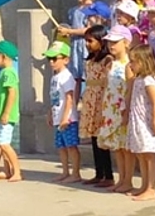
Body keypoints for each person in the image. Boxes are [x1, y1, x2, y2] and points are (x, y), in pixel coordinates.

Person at [98, 25, 135, 192]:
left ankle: (128, 180)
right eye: (109, 42)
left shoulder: (130, 64)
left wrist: (127, 110)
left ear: (126, 43)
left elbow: (130, 87)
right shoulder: (111, 64)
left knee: (126, 148)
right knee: (117, 147)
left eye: (115, 42)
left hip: (123, 109)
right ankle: (121, 178)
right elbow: (107, 86)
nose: (111, 46)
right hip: (111, 109)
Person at [78, 25, 114, 187]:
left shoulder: (108, 60)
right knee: (93, 137)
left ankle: (109, 175)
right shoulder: (90, 59)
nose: (87, 44)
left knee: (101, 138)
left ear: (101, 41)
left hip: (101, 98)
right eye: (86, 41)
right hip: (90, 98)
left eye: (90, 41)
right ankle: (98, 172)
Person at [126, 44, 155, 201]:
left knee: (149, 156)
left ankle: (151, 188)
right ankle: (144, 184)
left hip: (146, 123)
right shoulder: (138, 79)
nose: (131, 64)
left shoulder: (149, 80)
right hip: (137, 121)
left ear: (144, 61)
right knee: (141, 154)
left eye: (134, 61)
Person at [44, 41, 81, 183]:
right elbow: (54, 97)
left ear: (65, 59)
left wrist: (66, 117)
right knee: (61, 146)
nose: (52, 62)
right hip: (57, 115)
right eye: (50, 59)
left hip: (68, 118)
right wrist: (50, 113)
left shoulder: (67, 76)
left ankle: (75, 173)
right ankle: (65, 171)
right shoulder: (54, 77)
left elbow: (69, 98)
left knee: (71, 146)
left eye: (55, 59)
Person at [57, 0, 97, 101]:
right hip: (74, 45)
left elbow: (90, 29)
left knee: (87, 75)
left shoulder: (93, 10)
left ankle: (87, 100)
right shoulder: (73, 10)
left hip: (86, 45)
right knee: (75, 76)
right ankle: (73, 102)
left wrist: (70, 31)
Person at [0, 40, 22, 182]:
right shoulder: (3, 72)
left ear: (4, 57)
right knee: (2, 144)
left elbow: (12, 93)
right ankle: (7, 171)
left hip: (6, 115)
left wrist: (6, 113)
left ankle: (17, 172)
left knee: (4, 144)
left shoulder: (8, 73)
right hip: (0, 114)